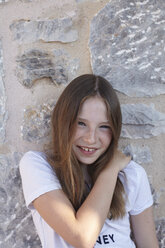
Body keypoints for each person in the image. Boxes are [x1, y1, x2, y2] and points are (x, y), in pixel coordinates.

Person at [19, 74, 158, 248]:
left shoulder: (132, 175)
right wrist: (110, 169)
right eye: (81, 123)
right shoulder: (37, 166)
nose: (91, 139)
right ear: (63, 121)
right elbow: (82, 238)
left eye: (104, 127)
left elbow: (148, 244)